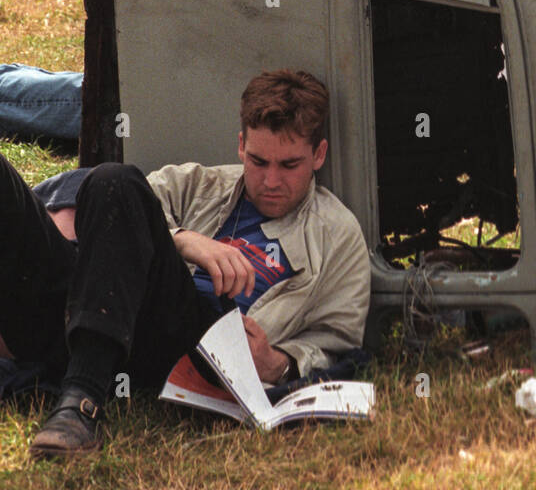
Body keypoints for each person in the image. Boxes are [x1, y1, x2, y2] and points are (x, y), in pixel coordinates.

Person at [0, 68, 371, 458]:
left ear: (319, 155)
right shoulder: (202, 184)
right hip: (98, 310)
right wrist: (186, 240)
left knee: (115, 183)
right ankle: (80, 371)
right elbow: (124, 203)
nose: (271, 180)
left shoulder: (336, 234)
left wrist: (279, 364)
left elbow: (339, 344)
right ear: (241, 145)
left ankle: (81, 402)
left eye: (289, 165)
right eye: (259, 161)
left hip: (187, 346)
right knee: (107, 180)